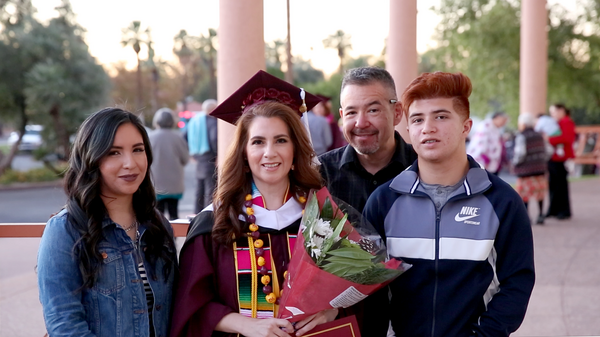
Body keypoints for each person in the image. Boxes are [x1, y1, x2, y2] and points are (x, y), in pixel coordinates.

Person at [364, 72, 535, 336]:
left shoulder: (502, 201)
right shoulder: (384, 201)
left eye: (441, 117)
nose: (428, 127)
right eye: (418, 119)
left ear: (466, 126)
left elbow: (517, 281)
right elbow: (368, 286)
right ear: (408, 129)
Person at [170, 70, 338, 337]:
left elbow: (352, 292)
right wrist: (244, 324)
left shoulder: (322, 218)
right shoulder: (216, 223)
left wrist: (332, 310)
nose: (269, 152)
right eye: (258, 142)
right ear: (244, 154)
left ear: (295, 150)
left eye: (281, 140)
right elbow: (191, 304)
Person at [37, 108, 177, 337]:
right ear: (91, 158)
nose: (130, 163)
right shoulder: (65, 230)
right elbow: (64, 325)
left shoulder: (158, 226)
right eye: (114, 152)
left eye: (138, 150)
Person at [318, 66, 417, 336]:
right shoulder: (319, 175)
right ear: (341, 116)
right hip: (345, 319)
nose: (361, 123)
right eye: (351, 112)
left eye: (373, 110)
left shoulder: (424, 169)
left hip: (415, 316)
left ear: (397, 113)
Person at [513, 113, 554, 225]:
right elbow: (549, 150)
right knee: (539, 193)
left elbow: (520, 154)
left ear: (523, 123)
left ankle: (527, 216)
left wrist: (515, 163)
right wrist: (541, 160)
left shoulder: (521, 136)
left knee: (524, 194)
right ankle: (541, 215)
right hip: (540, 170)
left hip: (525, 171)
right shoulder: (540, 135)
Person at [149, 108, 190, 220]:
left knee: (157, 215)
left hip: (155, 183)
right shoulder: (178, 137)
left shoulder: (150, 138)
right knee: (174, 214)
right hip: (174, 183)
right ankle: (173, 236)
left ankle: (159, 237)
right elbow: (185, 159)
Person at [187, 99, 219, 213]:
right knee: (210, 188)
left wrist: (192, 152)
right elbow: (214, 138)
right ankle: (207, 214)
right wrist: (218, 155)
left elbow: (185, 135)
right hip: (210, 156)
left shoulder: (195, 120)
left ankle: (197, 213)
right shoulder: (212, 121)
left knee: (199, 188)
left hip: (198, 157)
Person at [546, 103, 576, 220]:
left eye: (554, 112)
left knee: (560, 185)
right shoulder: (556, 123)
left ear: (561, 111)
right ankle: (553, 209)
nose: (552, 115)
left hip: (561, 158)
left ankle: (563, 210)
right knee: (553, 184)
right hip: (554, 157)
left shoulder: (566, 122)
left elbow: (567, 138)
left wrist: (548, 139)